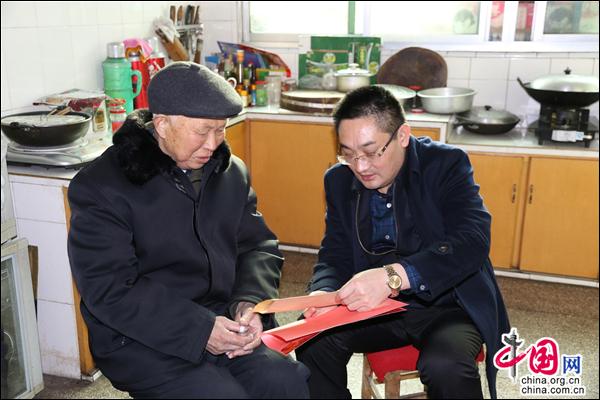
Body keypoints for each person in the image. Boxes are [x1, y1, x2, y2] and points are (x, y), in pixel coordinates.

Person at [67, 62, 309, 399]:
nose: (213, 144)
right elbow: (109, 288)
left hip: (222, 317)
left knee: (286, 381)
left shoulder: (230, 173)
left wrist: (249, 302)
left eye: (221, 130)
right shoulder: (102, 186)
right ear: (163, 125)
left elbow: (257, 245)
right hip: (140, 336)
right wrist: (200, 329)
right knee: (220, 395)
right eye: (203, 131)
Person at [295, 86, 510, 399]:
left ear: (403, 135)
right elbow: (335, 253)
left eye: (371, 152)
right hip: (377, 309)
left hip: (448, 304)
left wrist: (393, 276)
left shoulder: (445, 164)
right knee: (312, 339)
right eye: (348, 153)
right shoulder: (339, 180)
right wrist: (323, 292)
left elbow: (472, 240)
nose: (360, 166)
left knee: (446, 367)